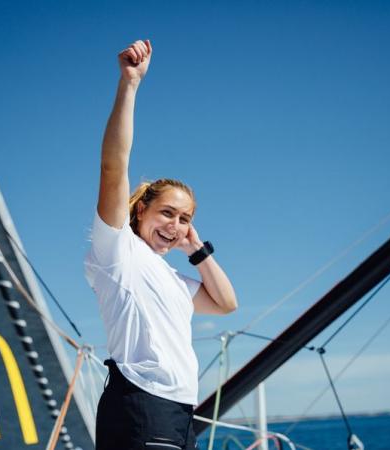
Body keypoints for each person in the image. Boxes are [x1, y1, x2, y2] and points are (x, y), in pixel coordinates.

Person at [84, 40, 238, 450]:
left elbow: (226, 304)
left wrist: (196, 249)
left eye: (184, 218)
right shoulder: (118, 251)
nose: (175, 225)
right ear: (140, 212)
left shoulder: (172, 279)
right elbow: (113, 165)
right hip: (141, 404)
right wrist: (129, 85)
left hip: (179, 410)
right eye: (167, 213)